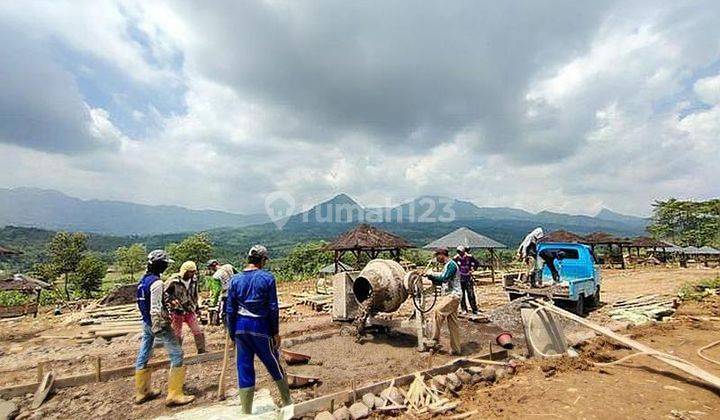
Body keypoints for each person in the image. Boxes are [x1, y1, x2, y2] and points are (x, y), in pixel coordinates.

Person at [226, 245, 292, 414]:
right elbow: (273, 307)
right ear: (262, 260)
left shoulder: (235, 280)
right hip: (260, 328)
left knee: (244, 367)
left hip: (240, 329)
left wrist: (232, 333)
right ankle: (287, 402)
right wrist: (275, 332)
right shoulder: (267, 278)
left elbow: (230, 310)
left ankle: (246, 411)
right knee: (273, 364)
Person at [134, 250, 194, 406]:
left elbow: (142, 304)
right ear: (160, 265)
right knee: (177, 353)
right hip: (157, 323)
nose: (167, 266)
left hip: (146, 323)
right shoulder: (157, 283)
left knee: (144, 353)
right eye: (165, 264)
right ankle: (175, 394)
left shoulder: (142, 282)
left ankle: (142, 392)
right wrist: (159, 327)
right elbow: (155, 307)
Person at [424, 248, 462, 355]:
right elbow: (442, 281)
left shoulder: (451, 265)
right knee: (453, 322)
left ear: (442, 255)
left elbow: (444, 278)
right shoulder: (447, 266)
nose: (437, 258)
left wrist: (431, 275)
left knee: (437, 311)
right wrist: (430, 277)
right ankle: (456, 349)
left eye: (437, 256)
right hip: (452, 295)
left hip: (453, 295)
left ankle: (434, 339)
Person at [164, 261, 206, 354]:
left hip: (190, 309)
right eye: (189, 272)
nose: (191, 274)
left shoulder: (194, 280)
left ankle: (201, 350)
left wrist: (197, 307)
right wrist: (171, 300)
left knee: (197, 330)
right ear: (184, 271)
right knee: (177, 333)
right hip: (177, 310)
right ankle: (176, 352)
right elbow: (164, 293)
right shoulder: (173, 281)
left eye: (193, 272)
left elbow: (195, 294)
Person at [207, 259, 236, 325]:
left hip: (226, 296)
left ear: (211, 267)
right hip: (235, 293)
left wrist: (213, 303)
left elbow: (216, 291)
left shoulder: (216, 276)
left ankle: (227, 330)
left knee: (225, 314)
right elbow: (238, 275)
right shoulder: (228, 266)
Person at [453, 246, 480, 314]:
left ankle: (475, 309)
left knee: (471, 294)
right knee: (462, 295)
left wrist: (473, 269)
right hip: (460, 279)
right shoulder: (456, 258)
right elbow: (452, 266)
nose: (460, 253)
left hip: (468, 278)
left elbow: (477, 263)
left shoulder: (469, 257)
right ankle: (464, 309)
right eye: (459, 252)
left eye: (461, 252)